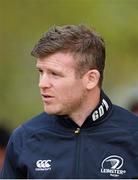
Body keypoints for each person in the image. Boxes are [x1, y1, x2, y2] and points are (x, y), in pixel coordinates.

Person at [1, 25, 138, 179]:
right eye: (41, 72)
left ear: (91, 79)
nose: (43, 83)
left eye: (55, 74)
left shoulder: (133, 134)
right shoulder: (24, 138)